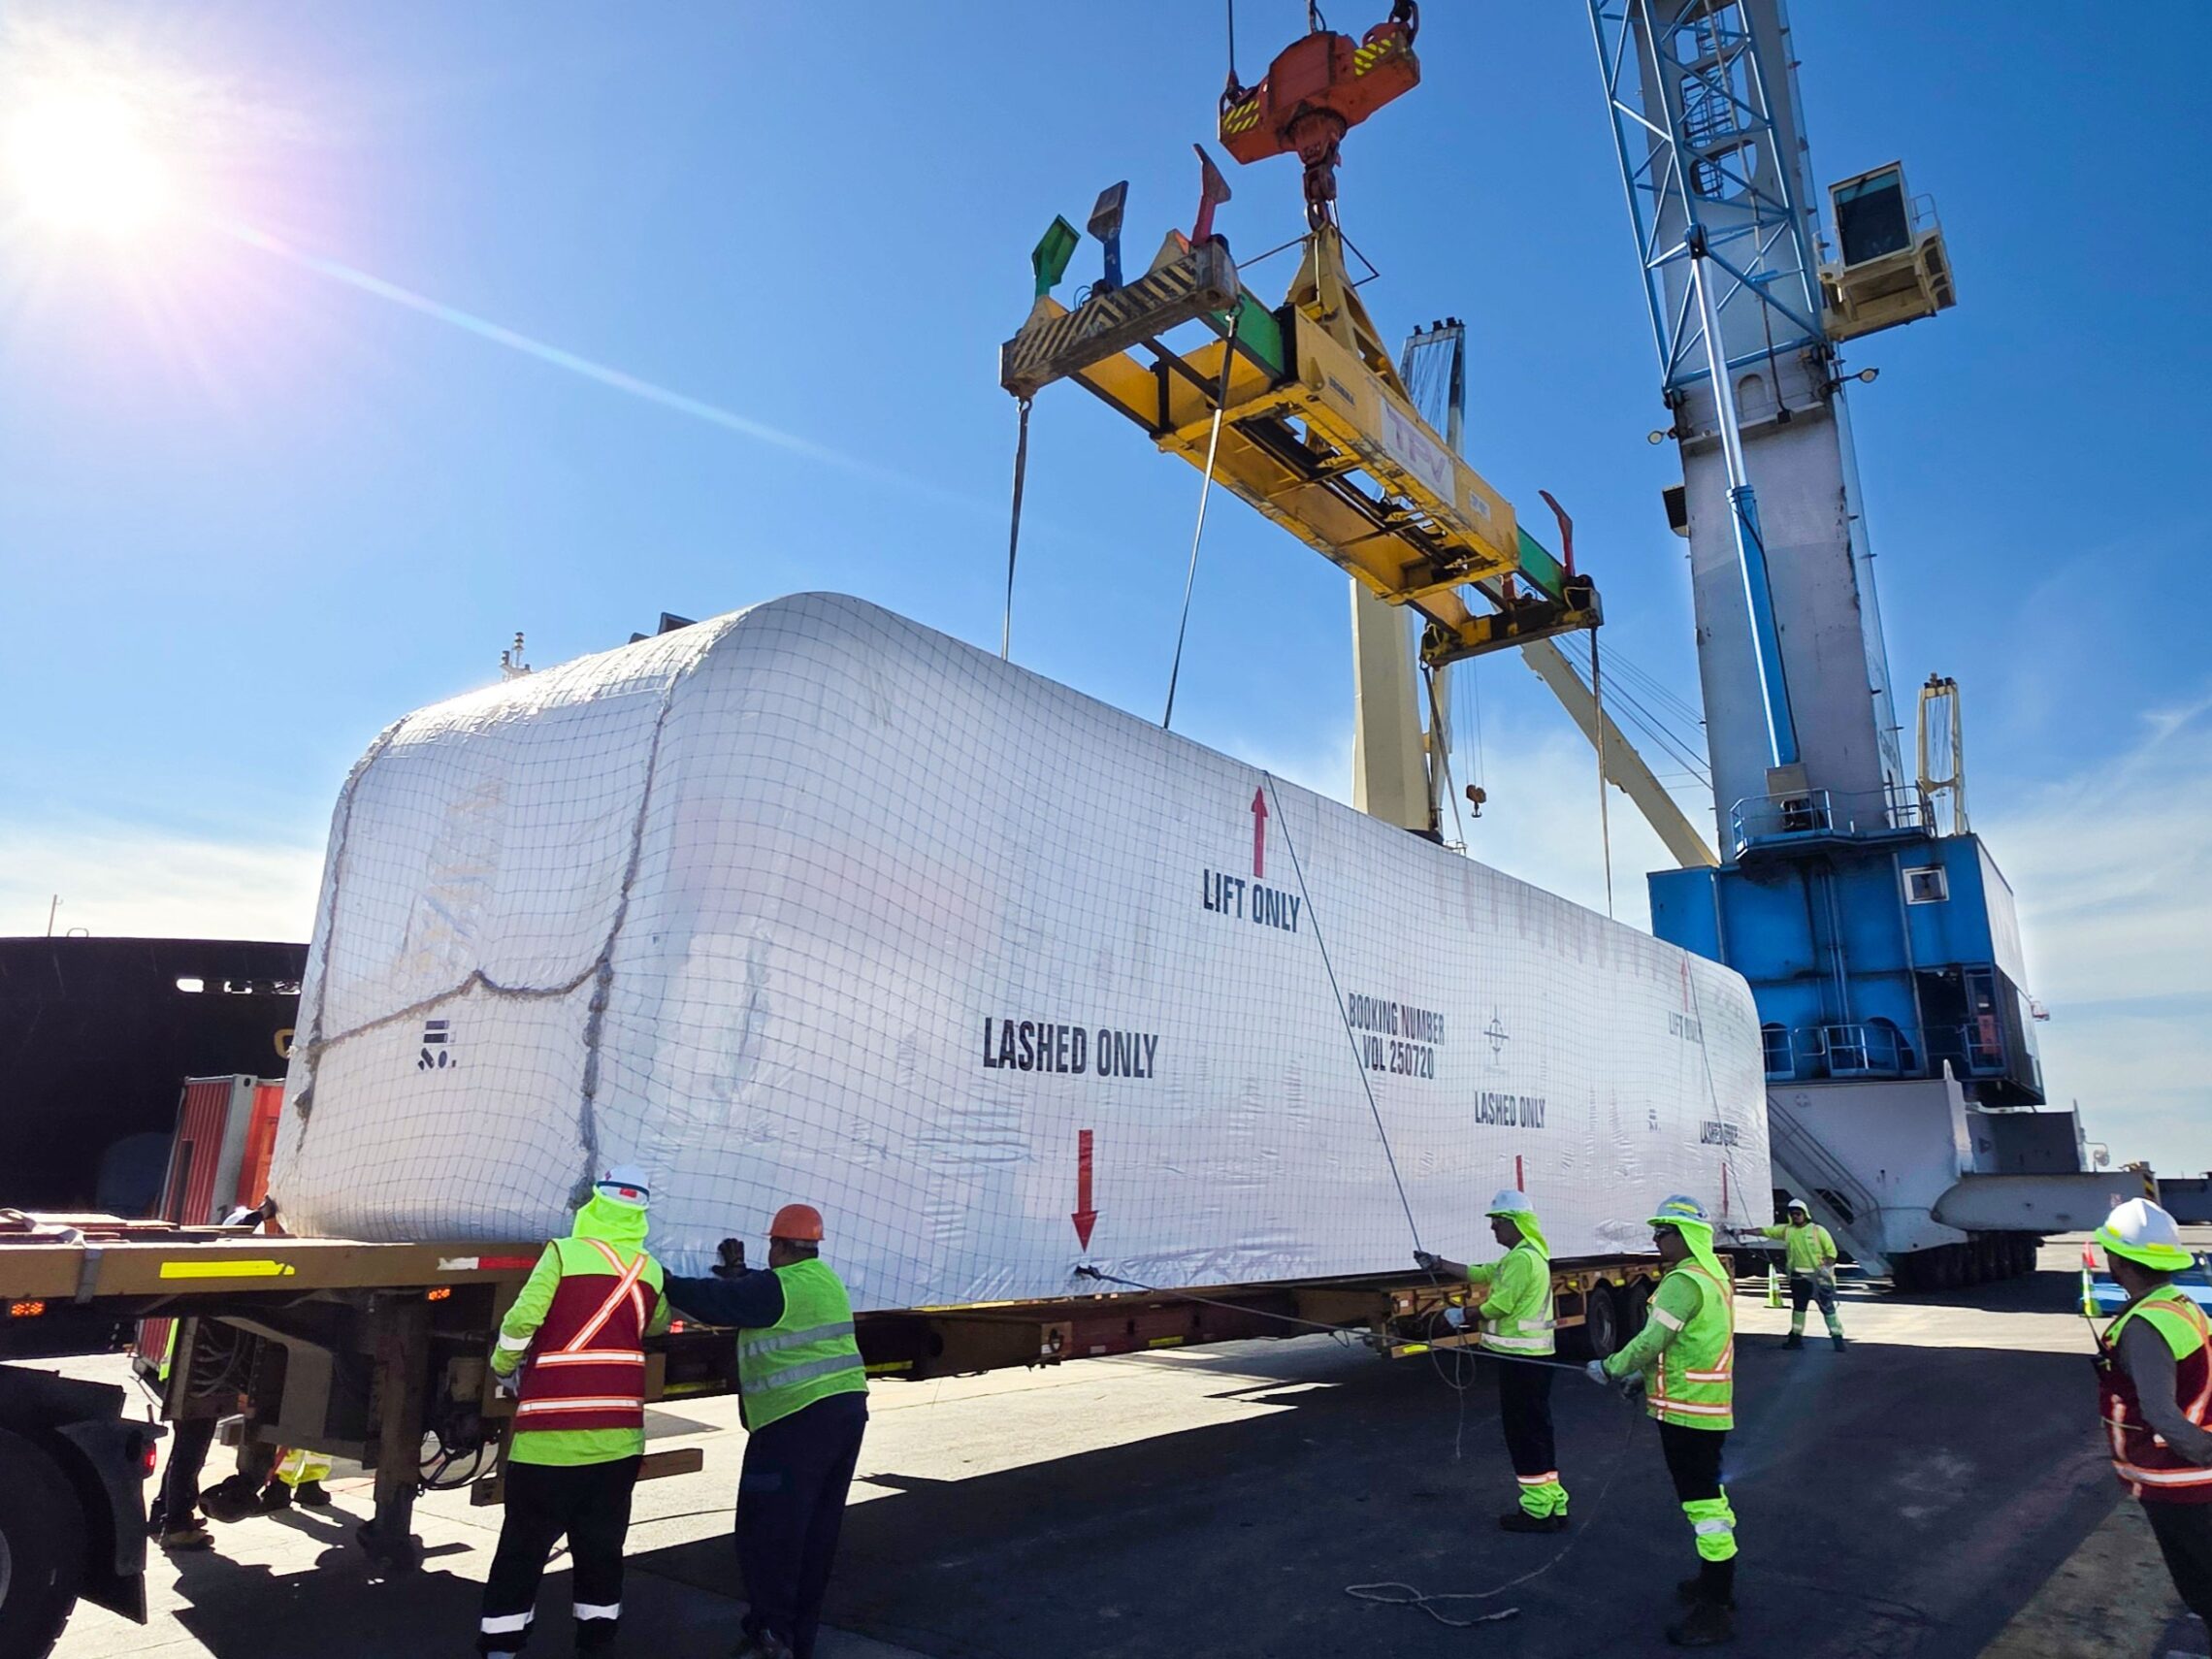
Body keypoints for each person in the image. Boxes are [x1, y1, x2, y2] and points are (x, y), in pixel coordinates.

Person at [477, 1165, 669, 1657]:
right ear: (641, 1214)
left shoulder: (564, 1255)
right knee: (602, 1549)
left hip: (548, 1442)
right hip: (618, 1443)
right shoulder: (649, 1269)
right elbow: (657, 1324)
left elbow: (523, 1320)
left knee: (523, 1548)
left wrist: (503, 1365)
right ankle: (596, 1640)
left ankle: (502, 1645)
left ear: (594, 1204)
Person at [667, 1203, 870, 1659]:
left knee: (767, 1532)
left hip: (794, 1423)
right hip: (843, 1415)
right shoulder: (822, 1279)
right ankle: (796, 1641)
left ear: (778, 1245)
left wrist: (659, 1278)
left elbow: (714, 1302)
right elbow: (762, 1300)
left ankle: (771, 1635)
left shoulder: (776, 1287)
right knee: (815, 1535)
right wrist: (739, 1274)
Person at [1590, 1194, 1740, 1648]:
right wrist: (1641, 1377)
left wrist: (1612, 1367)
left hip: (1687, 1411)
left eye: (1663, 1232)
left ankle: (1714, 1608)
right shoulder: (1712, 1275)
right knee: (1708, 1498)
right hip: (1705, 1406)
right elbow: (1681, 1345)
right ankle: (1713, 1584)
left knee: (1703, 1507)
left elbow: (1652, 1339)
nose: (1656, 1239)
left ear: (1686, 1236)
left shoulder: (1681, 1282)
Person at [1415, 1188, 1568, 1531]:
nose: (1493, 1228)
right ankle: (1553, 1503)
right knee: (1538, 1431)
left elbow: (1500, 1305)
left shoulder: (1522, 1259)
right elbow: (1481, 1273)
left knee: (1524, 1435)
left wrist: (1462, 1314)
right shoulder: (1525, 1255)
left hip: (1522, 1361)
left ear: (1514, 1223)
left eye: (1497, 1221)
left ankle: (1536, 1512)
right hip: (1533, 1360)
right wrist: (1439, 1263)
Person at [2092, 1197, 2212, 1626]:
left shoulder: (2145, 1326)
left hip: (2180, 1482)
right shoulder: (2180, 1305)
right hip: (2192, 1480)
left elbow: (2160, 1413)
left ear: (2119, 1262)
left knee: (2204, 1591)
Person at [1760, 1198, 1844, 1351]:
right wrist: (1742, 1232)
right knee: (1799, 1309)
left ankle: (1838, 1339)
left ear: (1805, 1214)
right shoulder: (1787, 1231)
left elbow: (1832, 1254)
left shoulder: (1817, 1231)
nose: (1795, 1216)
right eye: (1792, 1214)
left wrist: (1825, 1268)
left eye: (1798, 1213)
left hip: (1819, 1278)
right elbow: (1765, 1231)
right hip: (1798, 1279)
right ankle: (1796, 1339)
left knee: (1828, 1309)